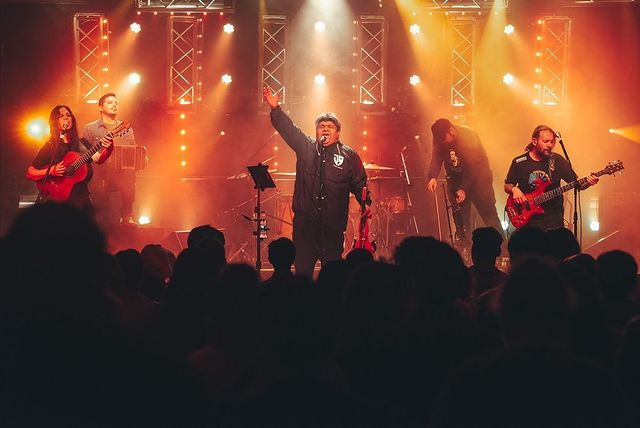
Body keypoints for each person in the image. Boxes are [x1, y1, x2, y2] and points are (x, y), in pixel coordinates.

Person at [263, 87, 370, 277]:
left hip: (333, 224)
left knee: (332, 273)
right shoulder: (306, 147)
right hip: (306, 224)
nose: (325, 129)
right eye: (322, 126)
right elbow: (289, 130)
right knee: (303, 270)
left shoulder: (348, 155)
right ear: (316, 130)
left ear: (338, 133)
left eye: (330, 127)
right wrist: (276, 109)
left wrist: (366, 202)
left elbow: (360, 183)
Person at [504, 124, 599, 231]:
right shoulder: (519, 162)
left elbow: (577, 185)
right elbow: (507, 185)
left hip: (553, 221)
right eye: (546, 141)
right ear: (534, 141)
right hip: (528, 220)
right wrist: (514, 189)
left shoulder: (557, 160)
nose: (550, 145)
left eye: (552, 142)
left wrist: (589, 182)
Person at [426, 118, 503, 243]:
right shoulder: (440, 137)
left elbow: (473, 167)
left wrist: (464, 188)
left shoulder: (469, 136)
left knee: (490, 216)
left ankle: (504, 250)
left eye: (445, 139)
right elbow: (436, 157)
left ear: (452, 130)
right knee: (462, 221)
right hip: (456, 181)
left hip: (479, 180)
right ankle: (466, 251)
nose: (444, 142)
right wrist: (432, 177)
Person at [26, 105, 113, 215]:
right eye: (61, 116)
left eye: (68, 115)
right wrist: (52, 170)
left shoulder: (82, 144)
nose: (66, 118)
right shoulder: (50, 146)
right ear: (54, 122)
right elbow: (30, 173)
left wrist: (109, 149)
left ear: (72, 119)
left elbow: (98, 158)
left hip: (81, 201)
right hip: (58, 202)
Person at [83, 92, 138, 226]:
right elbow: (84, 153)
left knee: (129, 175)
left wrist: (141, 158)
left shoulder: (126, 129)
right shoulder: (90, 128)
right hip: (99, 173)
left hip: (121, 173)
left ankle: (126, 216)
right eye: (110, 102)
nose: (114, 105)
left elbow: (133, 149)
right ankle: (102, 220)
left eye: (116, 103)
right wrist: (94, 155)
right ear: (100, 107)